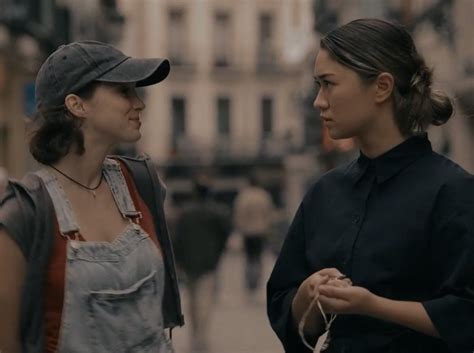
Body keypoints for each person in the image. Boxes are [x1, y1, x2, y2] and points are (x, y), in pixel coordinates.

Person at [267, 18, 474, 353]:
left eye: (328, 84)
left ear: (382, 87)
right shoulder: (325, 193)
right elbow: (289, 316)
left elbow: (466, 314)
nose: (318, 101)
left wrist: (372, 305)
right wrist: (309, 294)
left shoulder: (454, 191)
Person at [0, 41, 184, 353]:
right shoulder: (22, 215)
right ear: (77, 104)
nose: (138, 103)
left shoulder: (141, 185)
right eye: (123, 91)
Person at [173, 177, 231, 353]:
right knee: (204, 299)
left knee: (192, 300)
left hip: (189, 262)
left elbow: (177, 239)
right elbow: (224, 237)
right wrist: (218, 254)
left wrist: (179, 260)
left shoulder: (184, 213)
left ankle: (195, 333)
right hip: (208, 262)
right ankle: (201, 335)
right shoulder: (217, 213)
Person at [233, 174, 275, 296]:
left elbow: (238, 214)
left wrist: (240, 228)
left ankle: (249, 283)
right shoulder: (264, 195)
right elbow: (269, 214)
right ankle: (256, 282)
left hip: (247, 232)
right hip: (261, 231)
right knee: (258, 257)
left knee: (249, 257)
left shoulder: (243, 196)